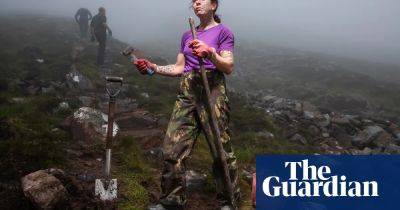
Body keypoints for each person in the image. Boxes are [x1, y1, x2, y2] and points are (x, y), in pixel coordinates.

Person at [133, 0, 239, 209]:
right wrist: (154, 68)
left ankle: (228, 203)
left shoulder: (223, 32)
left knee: (221, 152)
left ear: (214, 5)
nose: (196, 2)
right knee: (172, 150)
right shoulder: (187, 35)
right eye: (194, 0)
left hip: (213, 92)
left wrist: (210, 53)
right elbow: (179, 68)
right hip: (187, 93)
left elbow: (228, 66)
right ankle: (171, 201)